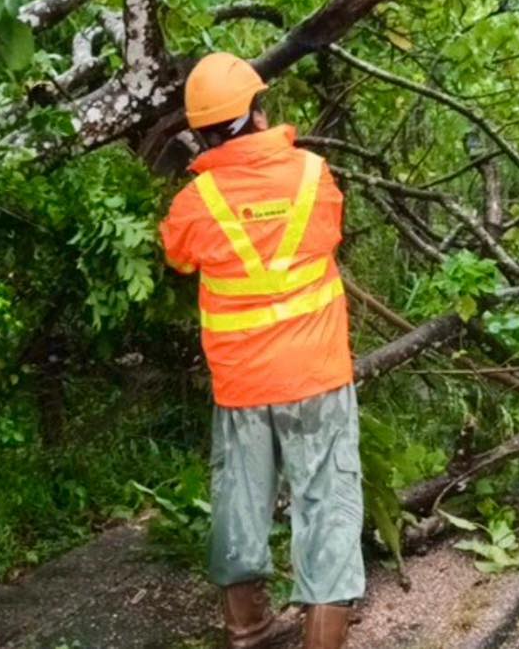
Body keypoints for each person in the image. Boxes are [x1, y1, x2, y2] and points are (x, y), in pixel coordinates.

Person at [160, 52, 362, 649]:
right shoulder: (315, 176)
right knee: (328, 500)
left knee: (240, 499)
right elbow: (330, 232)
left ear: (201, 131)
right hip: (318, 374)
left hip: (242, 384)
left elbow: (178, 256)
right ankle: (322, 639)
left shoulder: (196, 201)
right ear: (256, 111)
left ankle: (246, 628)